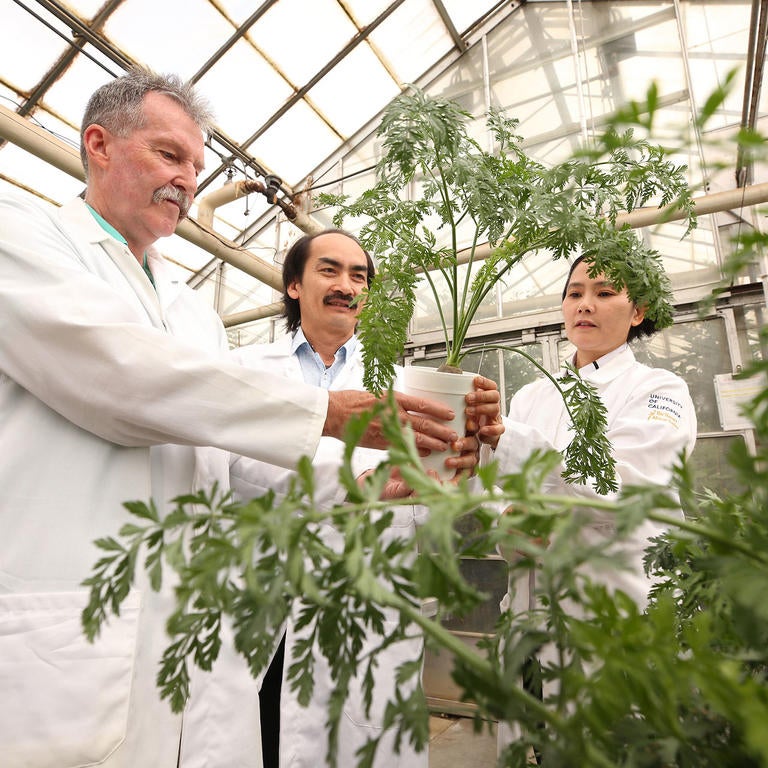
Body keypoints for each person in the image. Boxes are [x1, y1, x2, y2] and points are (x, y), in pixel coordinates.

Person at [0, 69, 461, 768]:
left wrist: (360, 490)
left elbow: (227, 468)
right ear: (98, 144)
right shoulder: (23, 238)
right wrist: (326, 413)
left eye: (196, 166)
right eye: (169, 155)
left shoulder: (190, 311)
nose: (187, 179)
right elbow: (120, 378)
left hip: (185, 633)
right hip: (67, 619)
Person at [227, 228, 501, 767]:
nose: (346, 285)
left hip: (364, 608)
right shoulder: (244, 372)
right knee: (255, 739)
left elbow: (437, 496)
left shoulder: (408, 386)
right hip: (262, 604)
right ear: (292, 286)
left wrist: (478, 449)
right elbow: (222, 472)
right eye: (329, 270)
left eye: (359, 275)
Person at [469, 254, 698, 752]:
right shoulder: (533, 395)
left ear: (637, 312)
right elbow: (493, 479)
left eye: (605, 292)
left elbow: (621, 483)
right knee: (539, 746)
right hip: (530, 612)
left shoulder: (660, 392)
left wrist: (507, 440)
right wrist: (503, 514)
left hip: (611, 614)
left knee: (609, 748)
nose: (585, 305)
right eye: (575, 293)